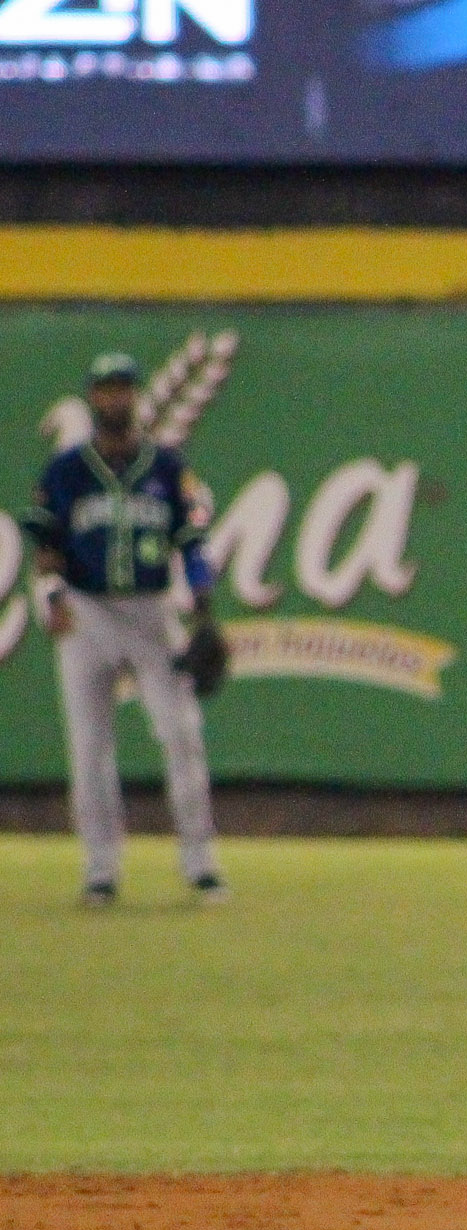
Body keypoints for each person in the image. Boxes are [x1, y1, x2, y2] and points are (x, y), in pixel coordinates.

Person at [20, 352, 226, 907]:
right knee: (89, 748)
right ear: (92, 397)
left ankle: (201, 861)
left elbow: (192, 543)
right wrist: (53, 596)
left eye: (124, 388)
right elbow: (45, 546)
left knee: (181, 734)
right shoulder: (65, 471)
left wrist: (204, 610)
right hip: (87, 612)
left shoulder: (166, 468)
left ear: (137, 396)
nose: (115, 398)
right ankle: (100, 869)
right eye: (106, 389)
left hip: (152, 611)